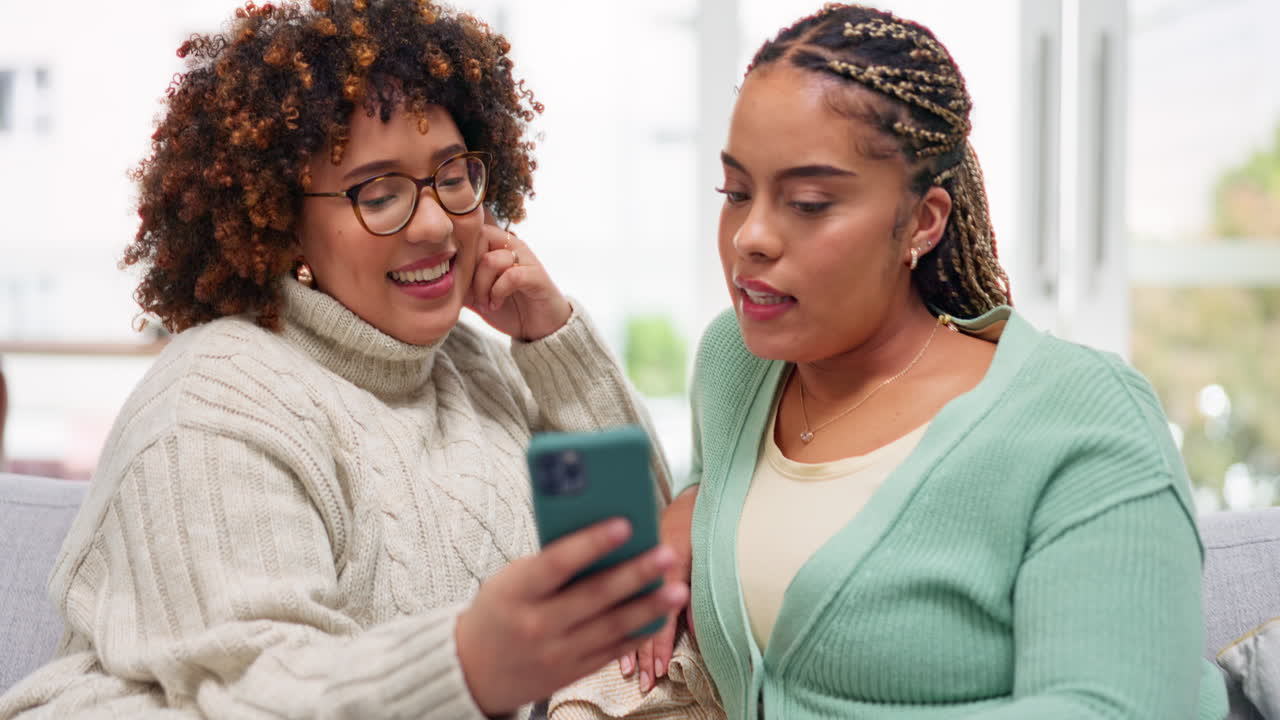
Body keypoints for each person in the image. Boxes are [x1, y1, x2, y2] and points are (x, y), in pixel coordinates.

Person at [0, 1, 687, 718]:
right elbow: (256, 690)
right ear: (281, 223)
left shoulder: (477, 366)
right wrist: (469, 664)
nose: (433, 224)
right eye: (379, 193)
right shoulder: (215, 401)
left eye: (453, 176)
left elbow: (649, 587)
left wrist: (553, 340)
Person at [562, 4, 1228, 719]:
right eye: (736, 193)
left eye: (810, 203)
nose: (749, 237)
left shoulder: (1083, 417)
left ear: (923, 221)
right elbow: (736, 492)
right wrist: (685, 518)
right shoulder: (737, 362)